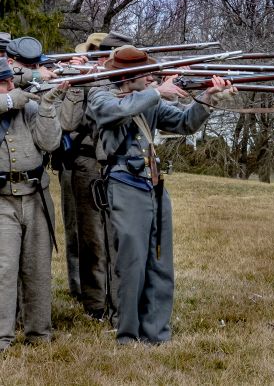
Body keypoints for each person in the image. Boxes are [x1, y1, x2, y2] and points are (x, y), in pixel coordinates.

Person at [86, 46, 236, 345]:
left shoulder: (149, 97)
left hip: (152, 183)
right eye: (146, 73)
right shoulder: (100, 94)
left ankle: (156, 333)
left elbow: (183, 123)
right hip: (124, 183)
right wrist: (158, 92)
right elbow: (113, 113)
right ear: (129, 76)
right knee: (132, 263)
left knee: (160, 261)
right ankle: (127, 335)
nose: (152, 76)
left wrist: (207, 100)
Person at [59, 31, 132, 318]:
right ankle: (94, 303)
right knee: (90, 237)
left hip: (118, 164)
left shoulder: (128, 81)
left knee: (116, 236)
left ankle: (118, 300)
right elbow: (71, 120)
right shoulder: (87, 80)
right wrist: (83, 79)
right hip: (87, 162)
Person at [0, 57, 69, 352]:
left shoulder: (27, 108)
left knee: (37, 268)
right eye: (4, 84)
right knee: (4, 269)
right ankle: (2, 337)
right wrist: (6, 101)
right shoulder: (9, 103)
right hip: (2, 199)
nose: (11, 87)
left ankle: (39, 333)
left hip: (35, 194)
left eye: (10, 82)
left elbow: (50, 143)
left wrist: (48, 107)